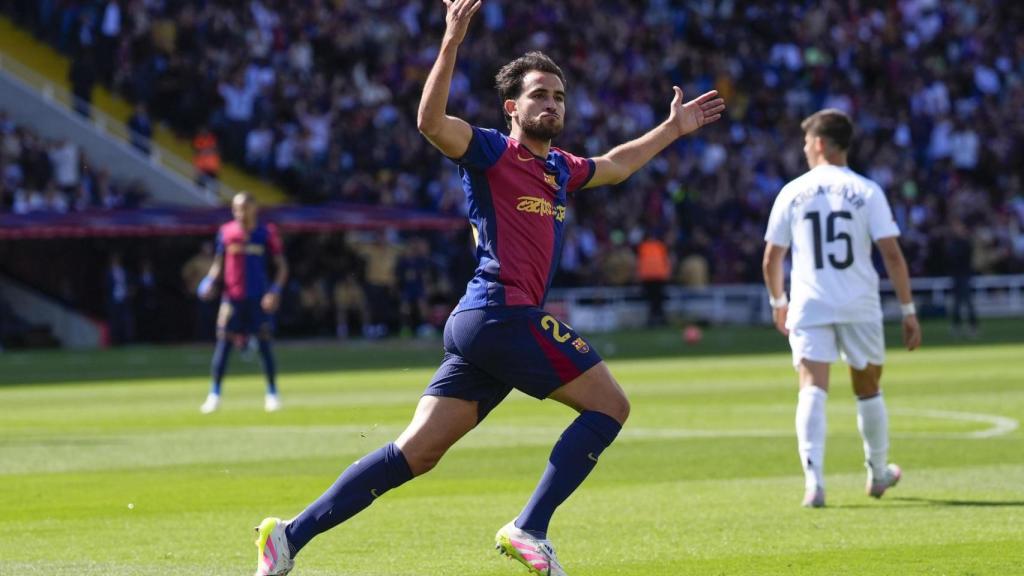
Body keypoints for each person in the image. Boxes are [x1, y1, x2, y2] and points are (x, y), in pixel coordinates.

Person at [251, 1, 724, 575]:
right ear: (512, 107)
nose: (551, 103)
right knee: (611, 405)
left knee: (416, 453)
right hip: (502, 312)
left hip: (484, 326)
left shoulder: (558, 169)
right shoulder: (493, 151)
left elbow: (615, 165)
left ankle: (289, 537)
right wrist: (451, 41)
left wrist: (672, 129)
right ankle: (530, 528)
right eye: (539, 95)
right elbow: (430, 123)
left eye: (558, 96)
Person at [762, 109, 922, 509]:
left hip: (810, 302)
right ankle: (878, 471)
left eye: (805, 141)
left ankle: (814, 483)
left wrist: (778, 302)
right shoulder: (867, 190)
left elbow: (771, 259)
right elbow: (893, 256)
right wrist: (908, 311)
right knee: (868, 387)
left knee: (812, 386)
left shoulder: (792, 191)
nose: (803, 148)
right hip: (859, 303)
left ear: (819, 143)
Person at [197, 192, 288, 414]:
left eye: (244, 207)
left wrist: (274, 291)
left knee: (264, 345)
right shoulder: (226, 232)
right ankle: (214, 394)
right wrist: (209, 281)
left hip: (258, 298)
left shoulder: (266, 232)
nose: (240, 212)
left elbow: (282, 267)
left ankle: (272, 393)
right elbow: (219, 263)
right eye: (237, 208)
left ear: (254, 209)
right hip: (232, 299)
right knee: (223, 346)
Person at [947, 219, 978, 338]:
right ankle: (957, 327)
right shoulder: (953, 243)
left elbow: (962, 257)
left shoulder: (966, 243)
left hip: (965, 275)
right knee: (957, 303)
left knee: (968, 302)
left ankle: (973, 326)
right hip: (956, 276)